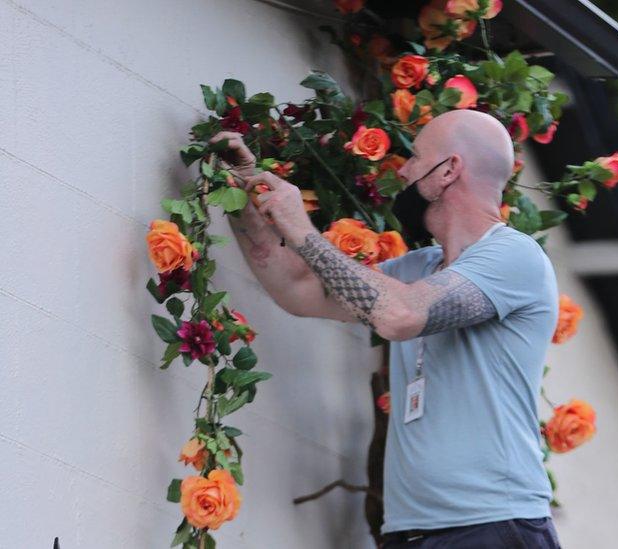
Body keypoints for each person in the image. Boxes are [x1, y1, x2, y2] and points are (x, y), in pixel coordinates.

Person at [211, 109, 563, 548]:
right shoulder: (418, 268)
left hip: (492, 527)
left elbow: (401, 316)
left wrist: (301, 228)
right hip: (411, 532)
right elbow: (298, 289)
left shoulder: (514, 257)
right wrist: (243, 191)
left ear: (449, 170)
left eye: (415, 158)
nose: (406, 171)